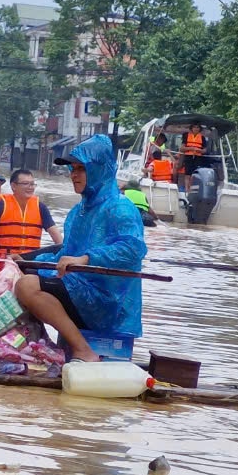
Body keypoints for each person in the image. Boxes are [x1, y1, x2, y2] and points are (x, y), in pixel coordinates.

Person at [11, 134, 147, 363]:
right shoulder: (78, 212)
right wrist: (24, 260)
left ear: (99, 169)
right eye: (72, 169)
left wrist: (86, 258)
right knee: (17, 275)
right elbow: (64, 253)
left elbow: (133, 249)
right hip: (80, 288)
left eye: (81, 169)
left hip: (108, 300)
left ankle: (84, 351)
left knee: (28, 285)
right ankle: (36, 345)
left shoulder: (120, 207)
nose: (74, 175)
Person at [0, 169, 62, 259]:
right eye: (25, 183)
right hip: (7, 257)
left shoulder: (40, 207)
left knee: (59, 249)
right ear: (13, 186)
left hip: (32, 258)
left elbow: (55, 233)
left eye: (32, 184)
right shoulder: (1, 205)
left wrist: (64, 252)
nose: (30, 187)